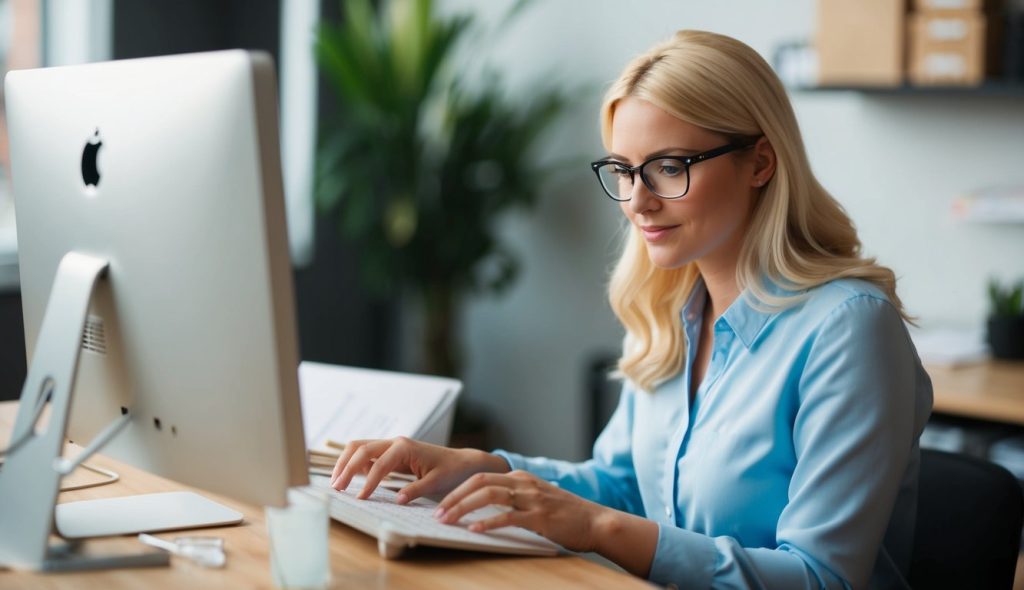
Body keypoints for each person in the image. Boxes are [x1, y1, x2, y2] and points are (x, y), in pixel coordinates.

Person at [330, 30, 933, 589]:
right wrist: (476, 467)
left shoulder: (848, 328)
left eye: (668, 167)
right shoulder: (670, 310)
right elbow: (621, 484)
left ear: (761, 162)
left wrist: (600, 529)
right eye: (622, 171)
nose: (637, 202)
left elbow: (821, 578)